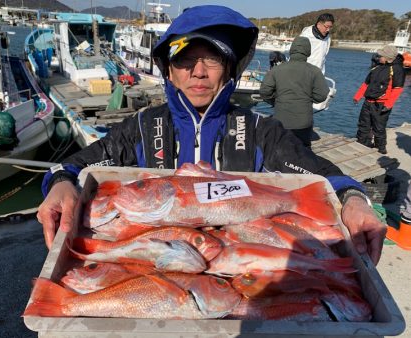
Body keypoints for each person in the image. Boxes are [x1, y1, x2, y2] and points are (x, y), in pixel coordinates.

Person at [37, 5, 386, 265]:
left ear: (230, 70)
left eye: (213, 59)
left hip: (238, 269)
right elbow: (74, 166)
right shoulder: (141, 127)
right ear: (169, 72)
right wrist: (61, 184)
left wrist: (353, 198)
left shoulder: (262, 131)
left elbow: (322, 175)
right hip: (153, 269)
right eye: (185, 60)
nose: (199, 72)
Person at [258, 36, 329, 147]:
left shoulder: (277, 70)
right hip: (303, 123)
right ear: (308, 52)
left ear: (291, 50)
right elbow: (322, 95)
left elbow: (264, 91)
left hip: (281, 120)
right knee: (302, 154)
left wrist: (275, 101)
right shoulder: (314, 71)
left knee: (279, 150)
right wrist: (308, 99)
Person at [353, 45, 405, 154]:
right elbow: (366, 84)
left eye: (381, 55)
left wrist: (389, 104)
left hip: (382, 104)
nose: (379, 57)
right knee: (363, 124)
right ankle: (362, 143)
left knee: (379, 128)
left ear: (388, 57)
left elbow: (397, 89)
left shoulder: (397, 69)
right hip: (368, 102)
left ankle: (381, 149)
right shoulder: (376, 67)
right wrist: (358, 96)